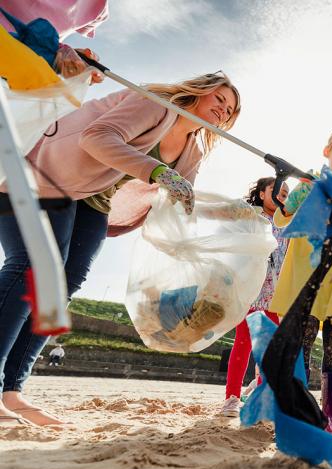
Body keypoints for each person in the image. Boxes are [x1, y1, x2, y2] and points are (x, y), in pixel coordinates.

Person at [0, 73, 241, 426]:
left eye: (231, 109)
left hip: (93, 200)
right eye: (219, 99)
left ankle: (12, 391)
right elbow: (94, 138)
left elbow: (183, 199)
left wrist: (232, 212)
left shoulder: (194, 149)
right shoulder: (154, 104)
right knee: (33, 268)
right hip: (43, 175)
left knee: (63, 286)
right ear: (198, 92)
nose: (223, 110)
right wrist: (157, 171)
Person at [270, 128, 332, 440]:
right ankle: (298, 414)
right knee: (301, 342)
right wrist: (297, 196)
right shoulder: (306, 183)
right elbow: (281, 220)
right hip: (306, 272)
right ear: (327, 150)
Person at [219, 178, 290, 417]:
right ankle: (232, 398)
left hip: (276, 296)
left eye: (287, 193)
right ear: (261, 194)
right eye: (277, 190)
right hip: (251, 291)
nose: (283, 195)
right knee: (243, 343)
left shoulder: (288, 225)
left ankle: (261, 398)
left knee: (271, 350)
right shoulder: (250, 216)